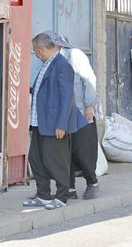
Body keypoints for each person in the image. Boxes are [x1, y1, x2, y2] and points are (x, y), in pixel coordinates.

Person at [23, 33, 88, 210]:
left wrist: (61, 124)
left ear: (43, 48)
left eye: (37, 51)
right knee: (35, 159)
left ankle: (61, 196)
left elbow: (67, 98)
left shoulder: (62, 66)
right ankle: (43, 195)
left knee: (56, 161)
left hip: (54, 124)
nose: (37, 54)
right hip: (40, 122)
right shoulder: (47, 64)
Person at [43, 31, 100, 200]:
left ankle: (92, 183)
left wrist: (90, 105)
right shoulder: (52, 61)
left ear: (57, 45)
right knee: (64, 153)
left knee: (82, 151)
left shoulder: (75, 55)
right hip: (63, 114)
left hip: (80, 111)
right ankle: (69, 189)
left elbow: (88, 79)